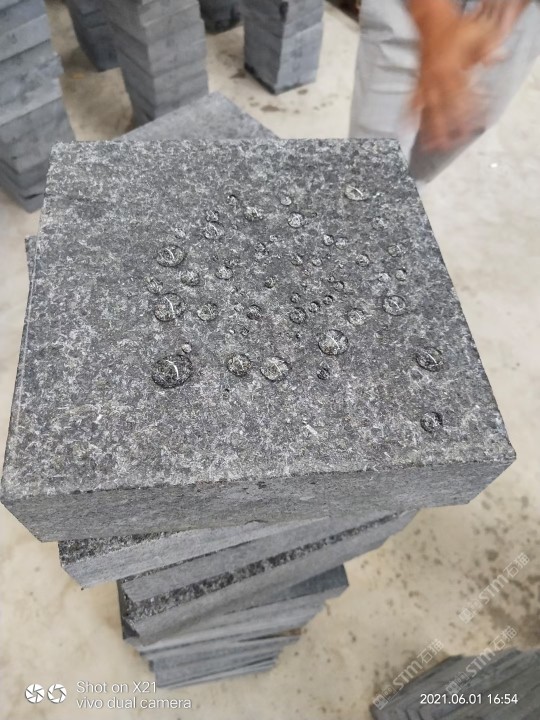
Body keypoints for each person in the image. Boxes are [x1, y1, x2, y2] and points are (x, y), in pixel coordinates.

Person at [350, 0, 540, 181]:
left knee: (433, 151)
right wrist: (434, 25)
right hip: (408, 10)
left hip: (522, 20)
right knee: (374, 168)